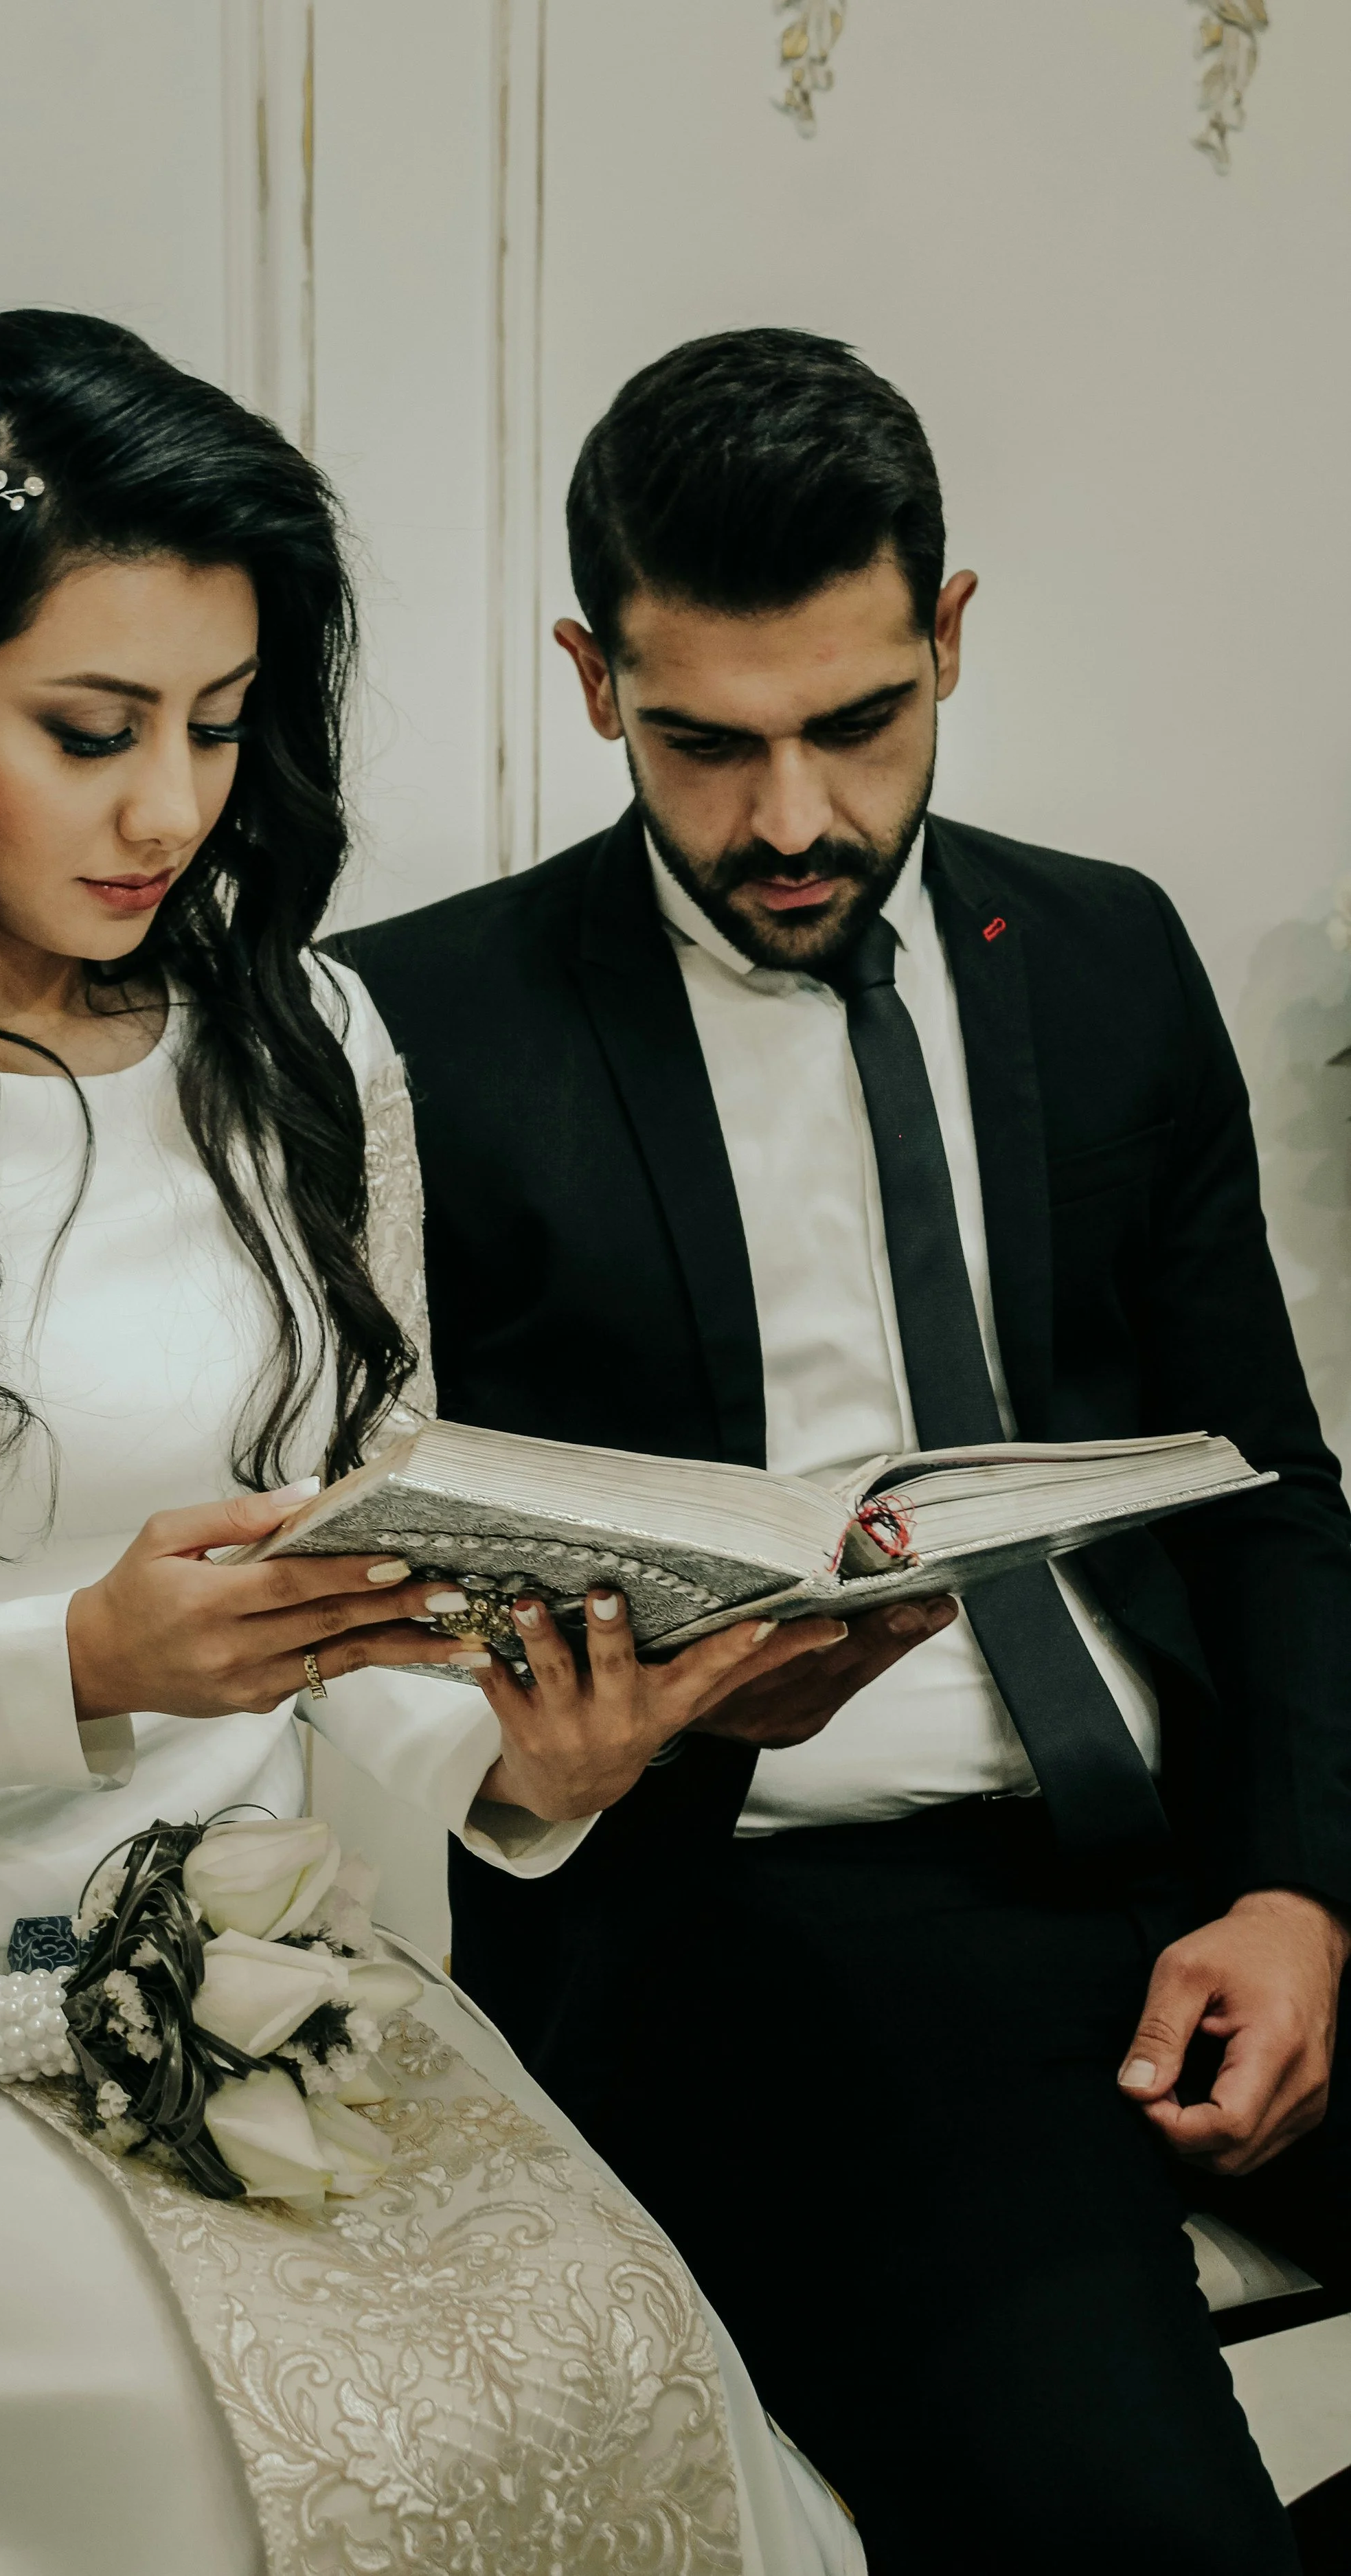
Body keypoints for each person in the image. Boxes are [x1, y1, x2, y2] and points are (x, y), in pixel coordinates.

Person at [0, 310, 867, 2576]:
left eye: (218, 726)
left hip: (261, 1952)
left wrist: (518, 1768)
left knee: (621, 2373)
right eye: (86, 731)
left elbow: (353, 1597)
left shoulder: (302, 1038)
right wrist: (73, 1659)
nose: (169, 809)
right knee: (246, 2476)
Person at [336, 328, 1351, 2575]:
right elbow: (359, 1595)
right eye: (704, 741)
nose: (787, 818)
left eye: (855, 724)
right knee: (1147, 2539)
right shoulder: (412, 1029)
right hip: (794, 1908)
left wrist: (1295, 1884)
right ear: (594, 680)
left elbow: (1271, 1480)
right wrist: (555, 1730)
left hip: (1188, 1838)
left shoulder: (1098, 953)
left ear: (949, 639)